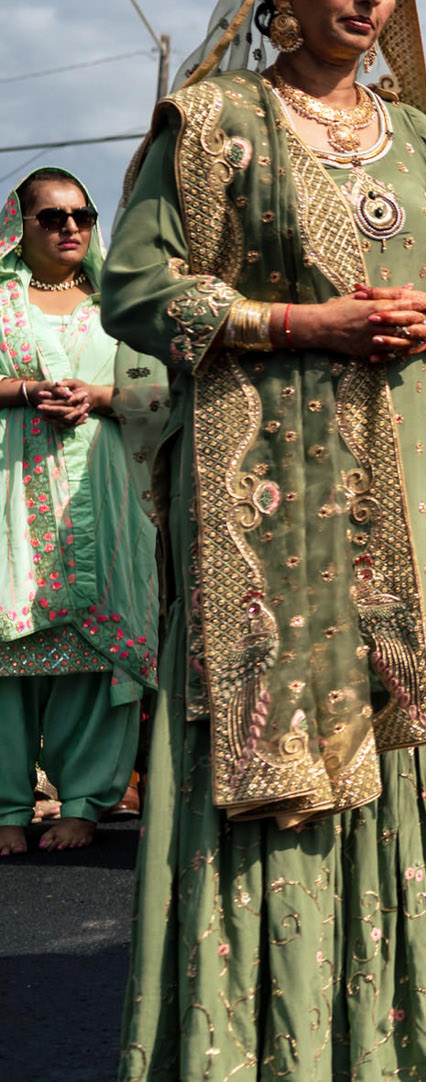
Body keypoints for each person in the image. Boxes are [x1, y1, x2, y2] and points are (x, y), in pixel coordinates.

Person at [104, 0, 426, 1079]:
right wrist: (287, 319)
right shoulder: (212, 119)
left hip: (392, 477)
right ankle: (251, 1046)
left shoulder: (416, 139)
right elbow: (136, 289)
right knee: (266, 744)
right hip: (257, 490)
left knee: (393, 723)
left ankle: (392, 1038)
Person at [0, 168, 162, 856]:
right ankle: (8, 807)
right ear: (20, 224)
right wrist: (26, 389)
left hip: (108, 497)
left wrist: (101, 397)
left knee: (97, 662)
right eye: (52, 216)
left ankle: (87, 799)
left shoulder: (119, 305)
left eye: (84, 215)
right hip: (14, 492)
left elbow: (160, 386)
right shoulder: (2, 302)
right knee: (9, 657)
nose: (71, 227)